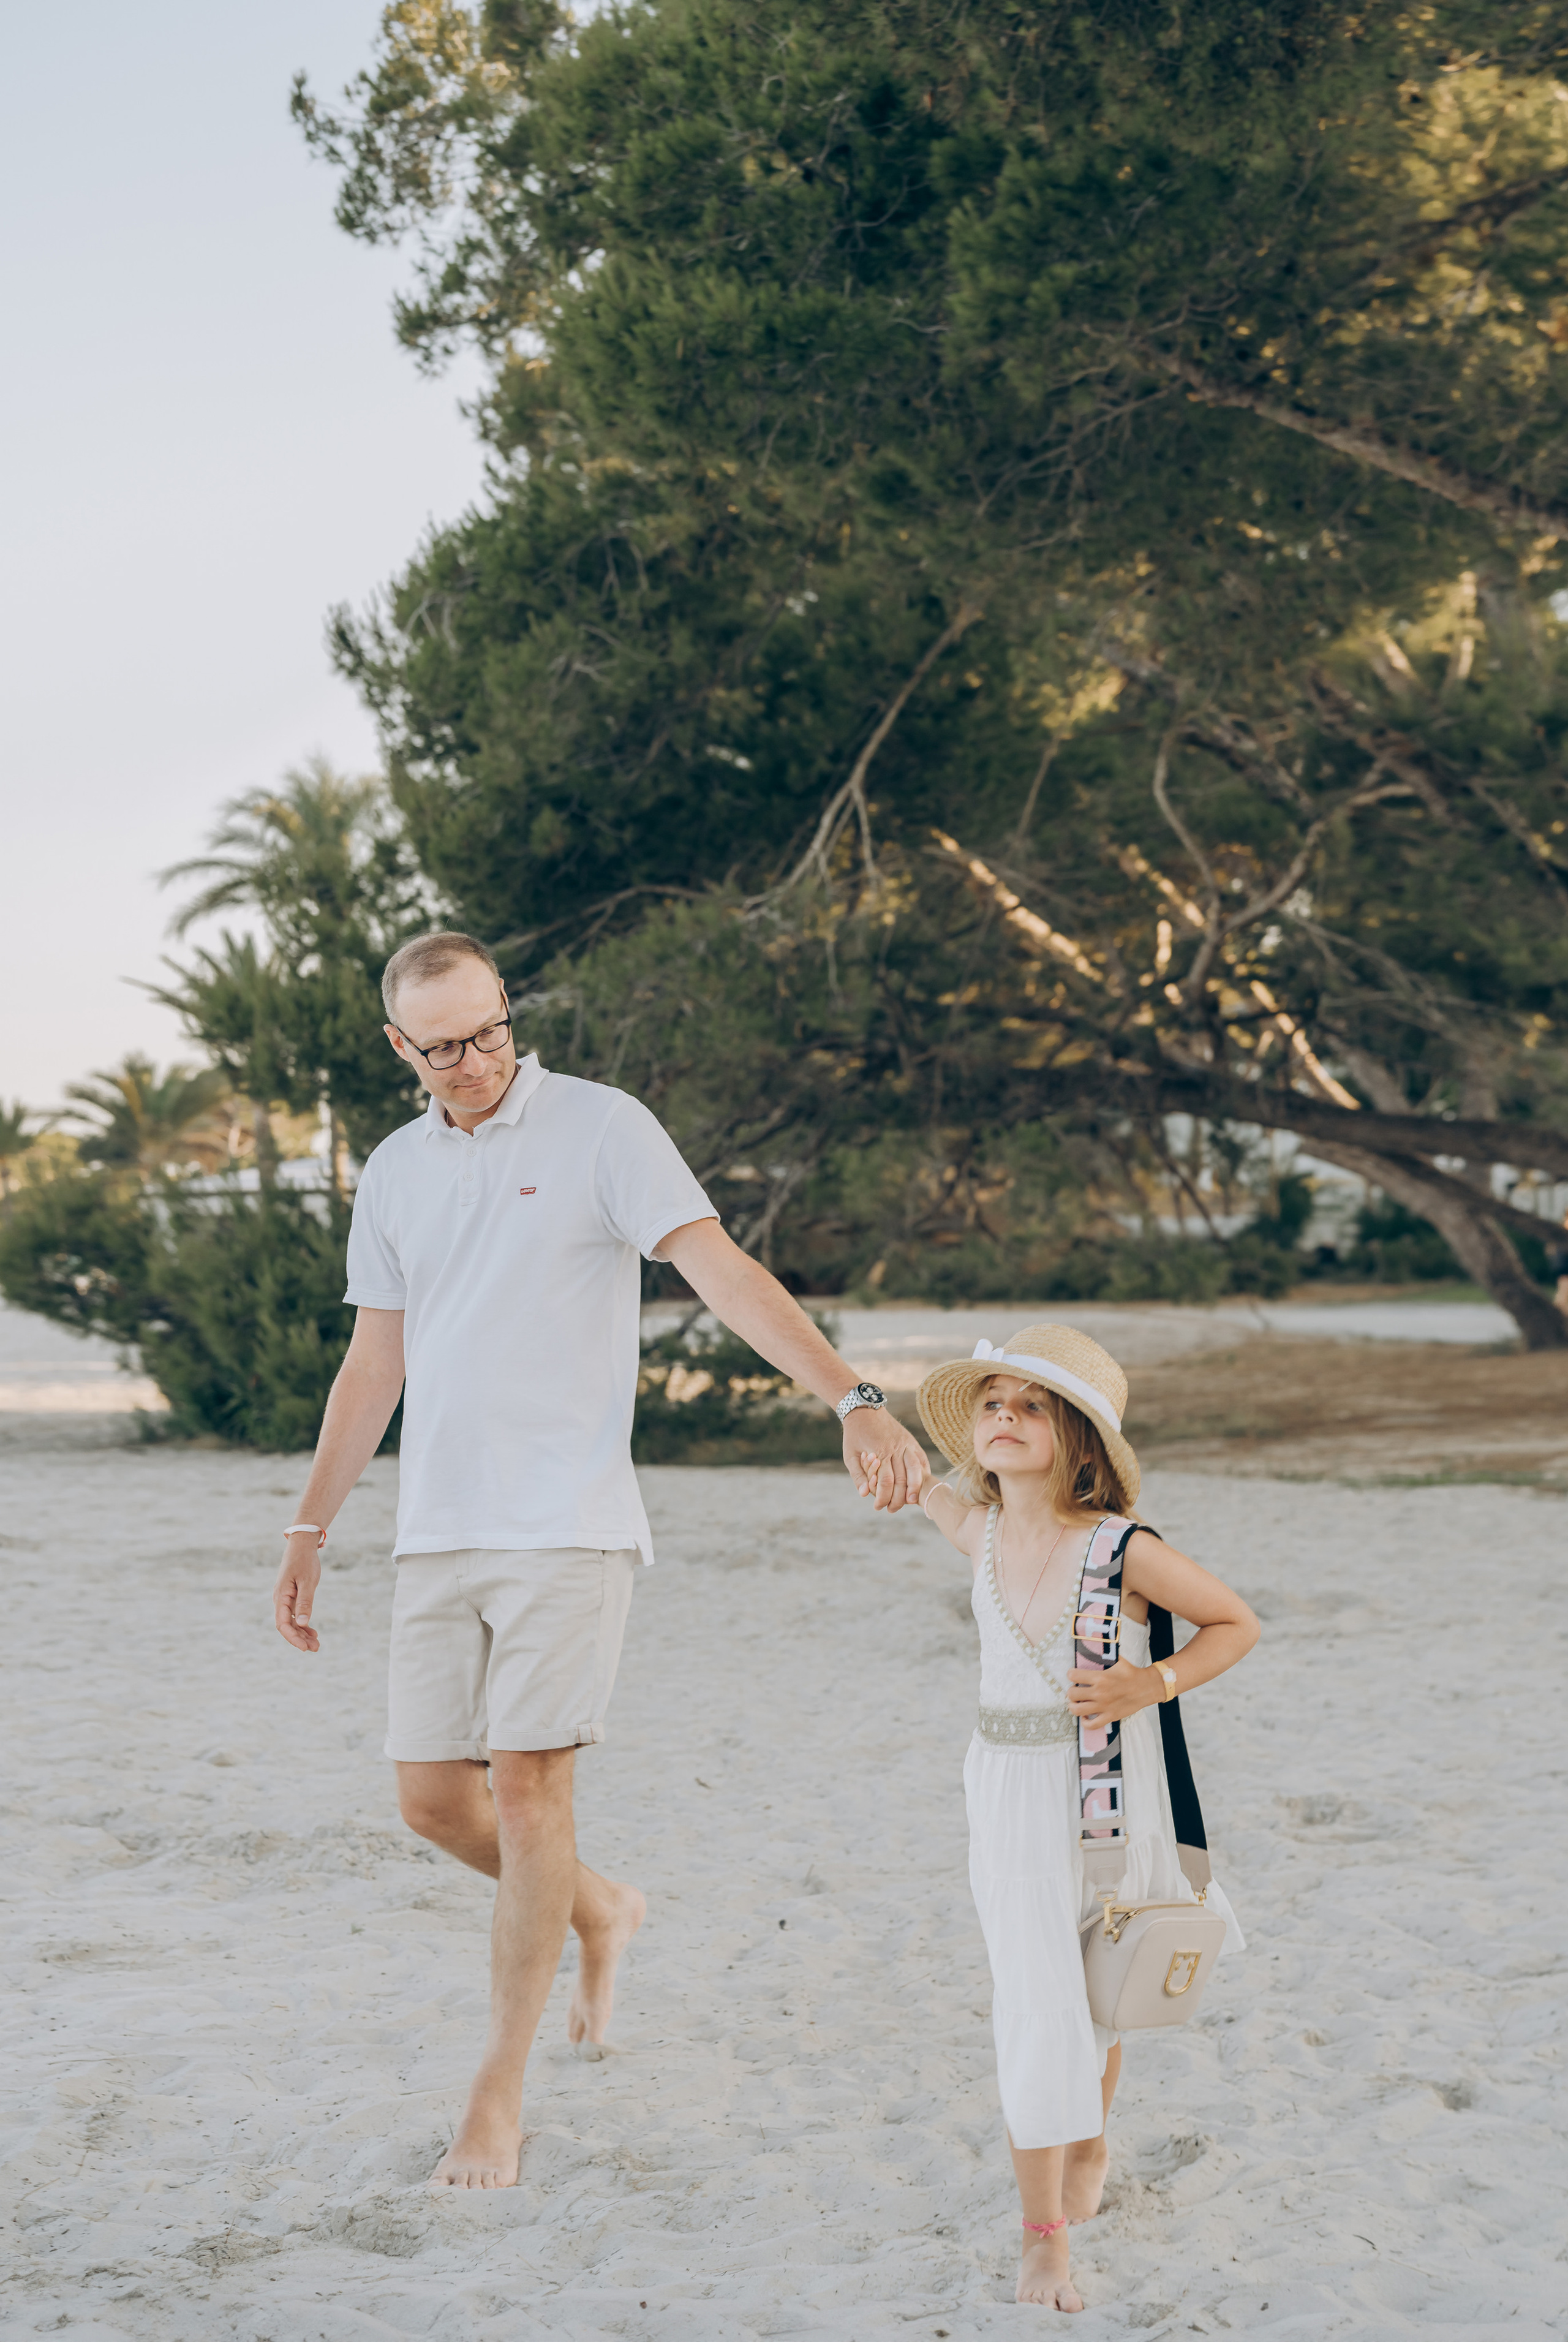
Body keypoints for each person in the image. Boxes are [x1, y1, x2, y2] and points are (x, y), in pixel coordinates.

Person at [271, 929, 927, 2191]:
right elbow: (375, 1363)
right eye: (442, 1044)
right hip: (439, 1528)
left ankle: (495, 2095)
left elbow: (720, 1272)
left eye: (489, 1031)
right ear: (397, 1047)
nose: (473, 1060)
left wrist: (851, 1398)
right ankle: (599, 1905)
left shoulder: (601, 1127)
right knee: (428, 1800)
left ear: (508, 1013)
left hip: (567, 1524)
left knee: (525, 1795)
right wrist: (308, 1529)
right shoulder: (396, 1170)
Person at [908, 1324, 1257, 2311]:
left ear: (1080, 1440)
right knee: (1035, 2005)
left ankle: (1092, 2138)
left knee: (1098, 1987)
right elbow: (907, 1477)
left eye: (1032, 1405)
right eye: (991, 1403)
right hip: (1006, 1791)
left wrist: (1154, 1679)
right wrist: (856, 1413)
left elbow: (1237, 1621)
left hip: (1108, 1792)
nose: (1005, 1417)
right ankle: (1045, 2241)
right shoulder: (975, 1532)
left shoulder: (1120, 1549)